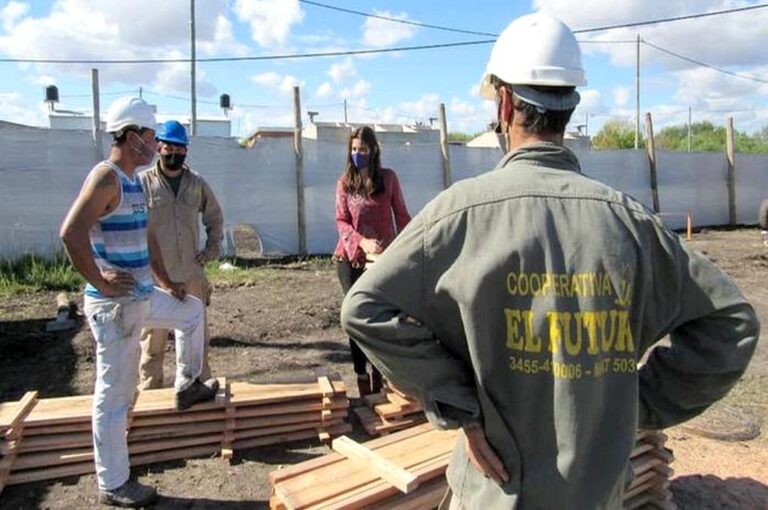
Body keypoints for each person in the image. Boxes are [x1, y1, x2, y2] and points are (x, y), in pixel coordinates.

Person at [340, 13, 758, 509]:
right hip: (594, 492)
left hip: (496, 491)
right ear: (571, 105)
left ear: (504, 103)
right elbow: (731, 322)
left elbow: (363, 308)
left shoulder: (460, 215)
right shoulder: (630, 224)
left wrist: (461, 405)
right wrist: (634, 404)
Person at [60, 97, 218, 508]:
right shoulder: (106, 178)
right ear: (131, 137)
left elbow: (147, 239)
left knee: (192, 312)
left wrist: (168, 283)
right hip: (115, 309)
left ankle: (188, 384)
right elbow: (70, 233)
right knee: (116, 394)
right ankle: (113, 482)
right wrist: (100, 280)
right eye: (150, 136)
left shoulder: (133, 182)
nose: (156, 144)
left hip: (143, 297)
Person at [138, 120, 224, 391]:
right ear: (158, 147)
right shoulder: (142, 184)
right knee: (152, 343)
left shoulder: (196, 184)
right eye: (169, 147)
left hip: (190, 275)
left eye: (179, 148)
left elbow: (215, 218)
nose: (174, 152)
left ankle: (197, 385)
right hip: (155, 278)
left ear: (186, 150)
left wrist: (210, 250)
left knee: (197, 338)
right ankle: (150, 390)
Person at [333, 126, 411, 398]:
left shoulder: (388, 179)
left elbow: (402, 215)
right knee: (356, 317)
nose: (358, 154)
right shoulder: (345, 183)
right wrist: (361, 242)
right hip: (351, 260)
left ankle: (381, 375)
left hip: (382, 260)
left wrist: (410, 246)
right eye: (354, 149)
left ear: (373, 150)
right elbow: (341, 220)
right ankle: (361, 376)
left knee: (382, 317)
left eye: (363, 149)